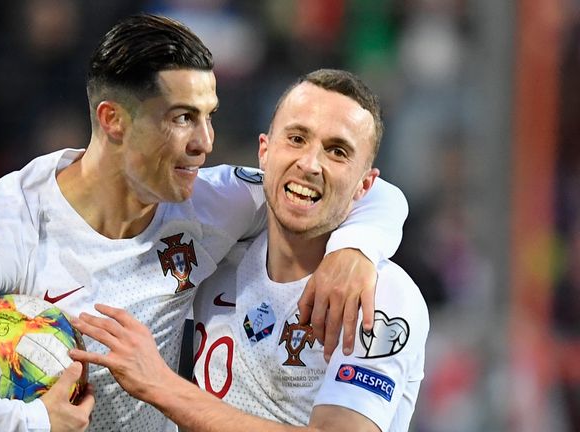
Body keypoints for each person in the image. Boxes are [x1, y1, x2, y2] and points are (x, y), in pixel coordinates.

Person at [0, 15, 408, 432]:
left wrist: (354, 249)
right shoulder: (7, 224)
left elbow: (356, 189)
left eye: (209, 117)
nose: (204, 144)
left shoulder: (210, 199)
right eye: (183, 118)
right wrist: (26, 421)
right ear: (114, 120)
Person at [70, 69, 429, 431]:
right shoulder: (219, 250)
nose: (310, 164)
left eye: (337, 151)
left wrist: (161, 385)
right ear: (264, 151)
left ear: (364, 185)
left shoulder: (381, 296)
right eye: (297, 138)